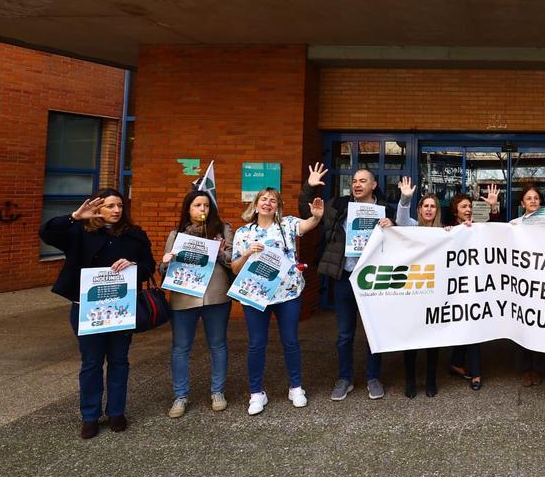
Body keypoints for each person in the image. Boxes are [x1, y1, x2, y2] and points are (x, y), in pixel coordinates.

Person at [40, 189, 155, 439]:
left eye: (120, 206)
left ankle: (116, 412)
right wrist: (74, 216)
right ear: (98, 209)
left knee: (119, 361)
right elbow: (46, 232)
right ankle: (90, 416)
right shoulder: (79, 232)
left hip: (120, 310)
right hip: (86, 309)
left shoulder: (134, 236)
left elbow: (149, 266)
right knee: (91, 362)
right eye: (110, 206)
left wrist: (135, 266)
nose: (116, 211)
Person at [300, 163, 396, 402]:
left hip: (374, 279)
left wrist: (392, 226)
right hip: (345, 278)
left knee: (373, 332)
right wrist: (310, 188)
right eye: (354, 180)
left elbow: (402, 239)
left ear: (374, 185)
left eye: (363, 180)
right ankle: (345, 378)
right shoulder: (339, 206)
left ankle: (373, 378)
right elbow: (307, 211)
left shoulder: (385, 210)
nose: (357, 184)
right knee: (344, 334)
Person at [232, 187, 323, 415]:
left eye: (273, 200)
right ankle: (256, 393)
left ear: (278, 206)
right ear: (255, 204)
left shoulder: (287, 225)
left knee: (291, 341)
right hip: (255, 295)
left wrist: (317, 216)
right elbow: (234, 268)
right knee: (256, 344)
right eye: (263, 199)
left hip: (287, 293)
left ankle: (295, 387)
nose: (268, 203)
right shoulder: (244, 233)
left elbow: (307, 225)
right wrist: (246, 254)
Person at [160, 189, 234, 418]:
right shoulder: (177, 234)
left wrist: (221, 252)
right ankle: (180, 396)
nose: (202, 209)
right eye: (197, 205)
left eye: (206, 205)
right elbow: (163, 270)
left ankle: (217, 391)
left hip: (216, 295)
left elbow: (233, 262)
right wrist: (165, 263)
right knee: (181, 347)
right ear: (188, 209)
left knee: (218, 344)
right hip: (184, 297)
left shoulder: (223, 230)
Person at [444, 185, 502, 390]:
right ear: (455, 211)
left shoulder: (478, 226)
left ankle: (464, 367)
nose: (468, 209)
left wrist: (493, 208)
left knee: (471, 323)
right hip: (456, 286)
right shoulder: (448, 228)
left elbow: (496, 230)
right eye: (463, 207)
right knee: (467, 323)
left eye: (469, 206)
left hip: (476, 285)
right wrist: (449, 234)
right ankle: (466, 368)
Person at [393, 177, 442, 398]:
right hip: (413, 289)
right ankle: (410, 381)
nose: (429, 209)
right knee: (411, 337)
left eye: (433, 206)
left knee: (433, 340)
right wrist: (405, 198)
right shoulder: (411, 226)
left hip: (435, 291)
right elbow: (401, 218)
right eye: (425, 206)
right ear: (419, 209)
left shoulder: (444, 231)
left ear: (437, 210)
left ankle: (431, 380)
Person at [509, 185, 545, 386]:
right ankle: (524, 368)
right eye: (529, 198)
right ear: (522, 203)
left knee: (540, 323)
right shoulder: (514, 224)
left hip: (542, 279)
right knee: (522, 323)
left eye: (536, 198)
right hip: (521, 280)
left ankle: (537, 367)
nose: (533, 201)